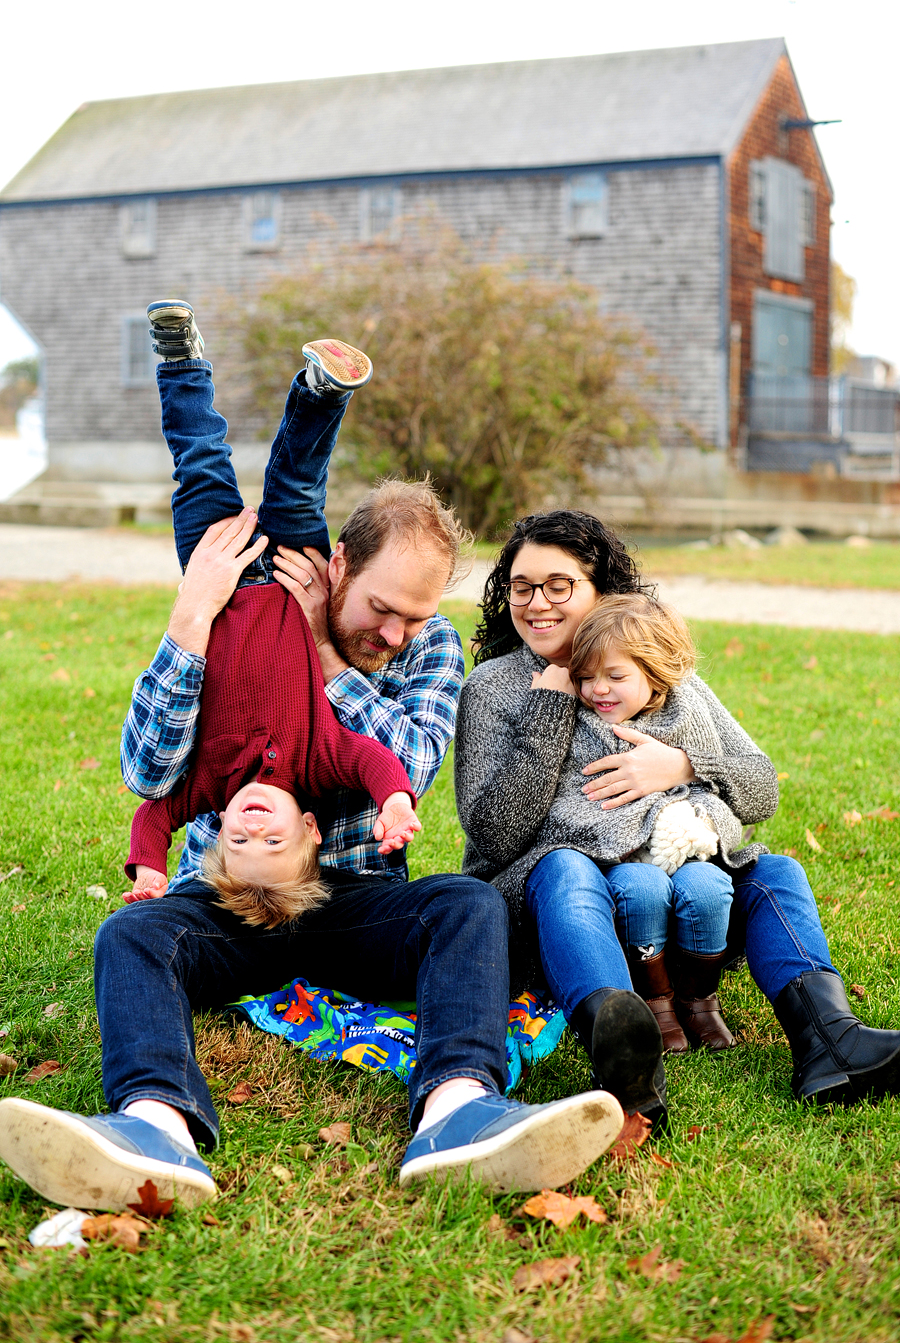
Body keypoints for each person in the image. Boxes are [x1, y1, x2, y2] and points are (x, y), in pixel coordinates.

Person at [0, 307, 626, 1213]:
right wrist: (188, 621)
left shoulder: (431, 648)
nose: (397, 632)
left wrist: (326, 658)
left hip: (354, 900)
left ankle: (459, 1109)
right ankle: (156, 1126)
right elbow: (149, 772)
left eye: (416, 614)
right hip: (234, 892)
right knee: (132, 934)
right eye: (380, 607)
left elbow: (402, 756)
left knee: (467, 903)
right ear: (336, 564)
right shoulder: (228, 615)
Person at [455, 509, 900, 1110]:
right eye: (522, 586)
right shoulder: (494, 687)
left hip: (682, 910)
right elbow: (492, 836)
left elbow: (762, 789)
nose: (537, 603)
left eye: (559, 586)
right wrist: (550, 713)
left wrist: (685, 766)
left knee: (777, 874)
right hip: (564, 909)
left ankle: (829, 1039)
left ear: (600, 591)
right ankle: (623, 1050)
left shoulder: (669, 679)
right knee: (566, 866)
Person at [122, 327, 420, 929]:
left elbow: (153, 813)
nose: (252, 829)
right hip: (296, 573)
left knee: (200, 467)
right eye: (272, 845)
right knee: (297, 483)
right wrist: (394, 802)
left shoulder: (207, 785)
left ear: (219, 834)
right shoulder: (318, 761)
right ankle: (322, 392)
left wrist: (149, 866)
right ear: (309, 831)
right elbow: (377, 761)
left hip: (218, 573)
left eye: (237, 845)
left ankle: (181, 364)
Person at [501, 591, 777, 1053]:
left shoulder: (689, 712)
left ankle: (699, 1000)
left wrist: (687, 776)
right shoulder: (576, 720)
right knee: (642, 889)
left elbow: (748, 790)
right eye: (586, 678)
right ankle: (657, 1002)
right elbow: (570, 808)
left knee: (709, 890)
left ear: (656, 673)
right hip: (618, 861)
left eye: (615, 676)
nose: (598, 690)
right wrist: (639, 829)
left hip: (692, 852)